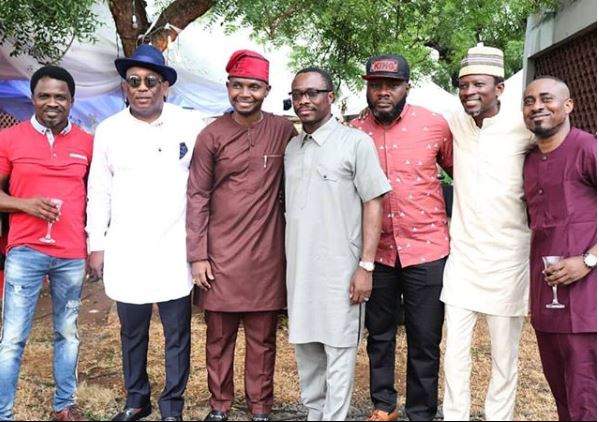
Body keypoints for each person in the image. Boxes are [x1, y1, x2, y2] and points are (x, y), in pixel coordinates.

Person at [86, 44, 205, 422]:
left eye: (150, 81)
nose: (142, 88)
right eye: (133, 81)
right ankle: (137, 399)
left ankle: (172, 407)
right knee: (132, 332)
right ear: (125, 87)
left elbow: (204, 187)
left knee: (177, 335)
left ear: (165, 86)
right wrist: (96, 244)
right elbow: (98, 190)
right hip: (127, 248)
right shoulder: (108, 130)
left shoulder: (190, 125)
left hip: (174, 248)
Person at [186, 49, 296, 422]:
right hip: (219, 257)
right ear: (228, 87)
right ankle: (219, 405)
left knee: (263, 340)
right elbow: (197, 196)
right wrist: (198, 255)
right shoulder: (211, 135)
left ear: (267, 90)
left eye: (253, 86)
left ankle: (260, 407)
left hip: (267, 256)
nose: (244, 93)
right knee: (218, 338)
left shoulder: (283, 132)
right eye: (237, 86)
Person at [285, 67, 391, 421]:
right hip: (300, 271)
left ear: (330, 96)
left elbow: (373, 202)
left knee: (339, 352)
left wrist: (366, 267)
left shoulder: (355, 143)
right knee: (306, 349)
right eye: (297, 94)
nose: (304, 100)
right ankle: (314, 414)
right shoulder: (292, 148)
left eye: (312, 93)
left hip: (340, 272)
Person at [351, 54, 453, 421]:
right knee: (379, 335)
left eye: (392, 85)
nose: (383, 92)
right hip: (376, 252)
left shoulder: (435, 124)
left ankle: (421, 412)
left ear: (406, 86)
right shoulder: (353, 131)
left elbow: (458, 172)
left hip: (427, 250)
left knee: (425, 337)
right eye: (376, 85)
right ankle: (384, 406)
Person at [439, 44, 535, 421]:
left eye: (478, 84)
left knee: (503, 357)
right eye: (463, 85)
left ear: (500, 88)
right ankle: (455, 416)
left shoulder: (524, 126)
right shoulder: (455, 121)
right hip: (463, 257)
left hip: (509, 259)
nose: (469, 92)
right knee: (454, 351)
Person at [0, 65, 92, 421]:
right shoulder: (10, 138)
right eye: (44, 96)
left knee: (68, 334)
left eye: (60, 97)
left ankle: (64, 406)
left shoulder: (86, 142)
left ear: (71, 100)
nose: (52, 102)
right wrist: (24, 204)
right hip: (25, 251)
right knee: (13, 339)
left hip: (71, 254)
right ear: (33, 98)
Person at [521, 76, 596, 421]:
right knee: (562, 398)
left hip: (586, 302)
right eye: (529, 101)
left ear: (568, 105)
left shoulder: (587, 148)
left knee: (586, 399)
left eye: (546, 98)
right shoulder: (529, 159)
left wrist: (589, 259)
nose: (537, 106)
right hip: (546, 298)